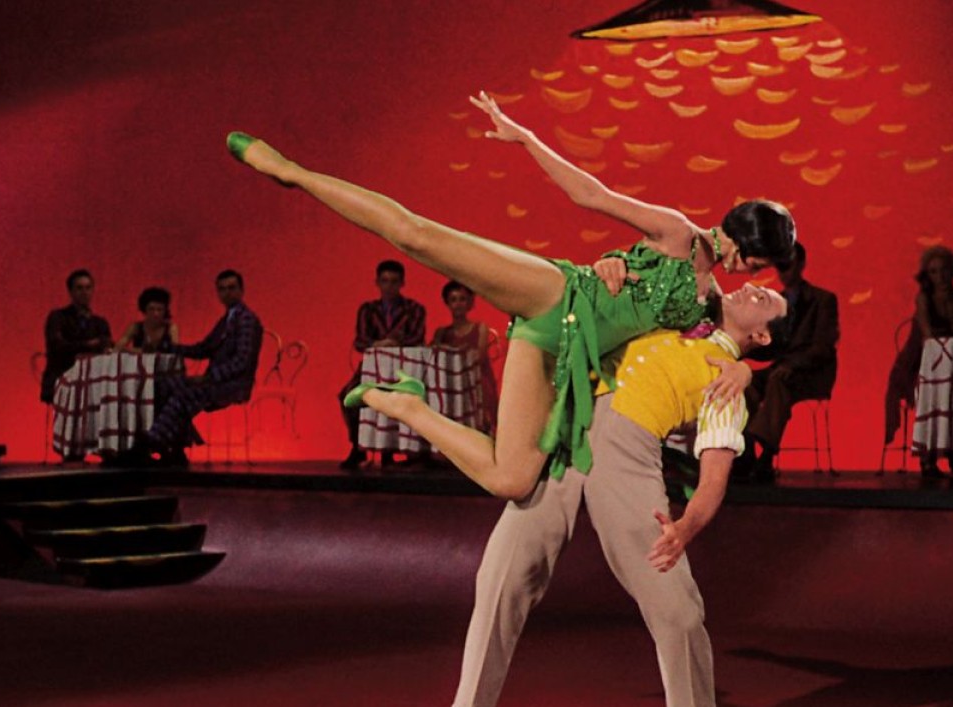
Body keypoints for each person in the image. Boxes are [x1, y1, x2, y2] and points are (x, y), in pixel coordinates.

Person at [228, 90, 795, 499]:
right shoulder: (677, 232)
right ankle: (292, 171)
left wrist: (748, 374)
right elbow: (589, 194)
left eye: (761, 271)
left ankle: (406, 403)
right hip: (555, 295)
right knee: (415, 235)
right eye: (758, 260)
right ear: (744, 238)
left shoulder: (709, 302)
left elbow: (723, 352)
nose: (752, 272)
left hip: (558, 353)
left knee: (512, 479)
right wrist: (526, 139)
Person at [435, 282, 788, 707]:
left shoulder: (729, 386)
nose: (754, 287)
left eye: (766, 300)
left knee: (678, 608)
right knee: (499, 581)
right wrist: (614, 264)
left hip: (630, 461)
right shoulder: (674, 305)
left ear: (761, 335)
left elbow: (713, 479)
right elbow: (668, 253)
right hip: (563, 442)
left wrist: (685, 527)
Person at [136, 270, 264, 466]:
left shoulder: (246, 319)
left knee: (182, 396)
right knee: (162, 386)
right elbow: (204, 348)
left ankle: (152, 442)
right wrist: (168, 347)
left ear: (241, 290)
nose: (227, 293)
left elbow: (242, 361)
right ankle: (174, 448)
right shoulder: (226, 319)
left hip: (233, 385)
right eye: (222, 289)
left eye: (232, 288)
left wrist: (209, 377)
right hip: (215, 381)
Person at [740, 243, 839, 481]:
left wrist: (792, 365)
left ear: (801, 265)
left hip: (813, 371)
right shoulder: (776, 303)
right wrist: (743, 349)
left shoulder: (823, 299)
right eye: (780, 266)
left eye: (787, 265)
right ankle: (747, 452)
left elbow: (823, 346)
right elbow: (772, 347)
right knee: (745, 384)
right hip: (782, 369)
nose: (783, 271)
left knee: (778, 382)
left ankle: (766, 455)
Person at [883, 245, 953, 476]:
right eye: (934, 272)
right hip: (920, 363)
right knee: (934, 390)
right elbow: (928, 339)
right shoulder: (924, 299)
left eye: (945, 270)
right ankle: (928, 458)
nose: (941, 277)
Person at [337, 260, 427, 470]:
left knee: (400, 398)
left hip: (403, 371)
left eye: (394, 281)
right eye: (385, 281)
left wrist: (393, 344)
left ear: (402, 283)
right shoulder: (368, 310)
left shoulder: (414, 309)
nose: (389, 286)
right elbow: (359, 341)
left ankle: (392, 450)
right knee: (347, 396)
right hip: (372, 368)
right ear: (377, 282)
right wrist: (379, 344)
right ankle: (358, 447)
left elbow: (417, 337)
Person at [430, 280, 499, 435]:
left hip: (477, 384)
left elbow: (479, 357)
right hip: (452, 386)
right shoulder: (442, 333)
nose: (458, 304)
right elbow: (432, 357)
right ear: (447, 303)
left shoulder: (480, 327)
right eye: (453, 300)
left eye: (462, 299)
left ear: (469, 302)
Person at [41, 268, 112, 403]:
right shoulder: (58, 317)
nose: (84, 292)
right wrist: (87, 345)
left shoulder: (100, 323)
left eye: (88, 288)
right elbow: (56, 346)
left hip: (93, 384)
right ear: (71, 291)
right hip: (63, 381)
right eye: (79, 288)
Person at [115, 286, 180, 354]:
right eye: (151, 309)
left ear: (165, 310)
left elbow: (174, 352)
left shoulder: (171, 328)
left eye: (160, 309)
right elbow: (118, 348)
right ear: (144, 309)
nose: (156, 313)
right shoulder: (135, 327)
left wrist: (135, 350)